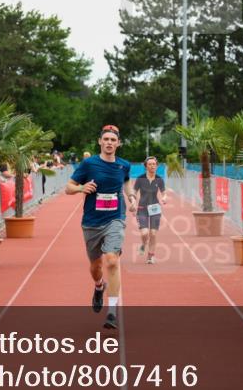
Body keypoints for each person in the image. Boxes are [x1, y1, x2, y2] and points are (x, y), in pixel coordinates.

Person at [66, 125, 134, 330]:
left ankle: (112, 311)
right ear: (100, 142)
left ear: (118, 143)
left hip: (115, 218)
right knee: (96, 267)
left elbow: (127, 182)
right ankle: (98, 286)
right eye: (106, 139)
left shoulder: (124, 165)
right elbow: (68, 187)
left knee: (112, 261)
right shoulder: (89, 164)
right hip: (92, 222)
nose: (109, 143)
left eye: (113, 140)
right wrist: (80, 188)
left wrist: (130, 196)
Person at [133, 155, 167, 264]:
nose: (152, 166)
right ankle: (143, 244)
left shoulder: (159, 179)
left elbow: (163, 193)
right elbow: (134, 192)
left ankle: (150, 256)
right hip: (142, 208)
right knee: (144, 233)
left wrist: (164, 198)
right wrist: (133, 201)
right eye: (150, 164)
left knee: (153, 233)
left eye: (154, 164)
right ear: (145, 166)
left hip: (155, 208)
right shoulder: (140, 178)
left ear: (157, 166)